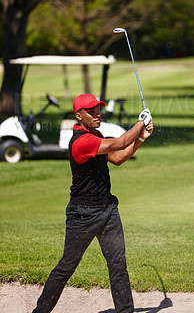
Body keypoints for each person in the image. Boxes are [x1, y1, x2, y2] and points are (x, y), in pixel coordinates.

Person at [32, 93, 153, 313]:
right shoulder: (82, 141)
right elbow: (120, 142)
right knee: (66, 268)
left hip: (107, 210)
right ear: (79, 116)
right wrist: (140, 122)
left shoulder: (95, 135)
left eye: (98, 109)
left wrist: (141, 138)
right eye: (91, 111)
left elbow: (117, 157)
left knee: (118, 267)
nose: (97, 114)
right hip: (83, 215)